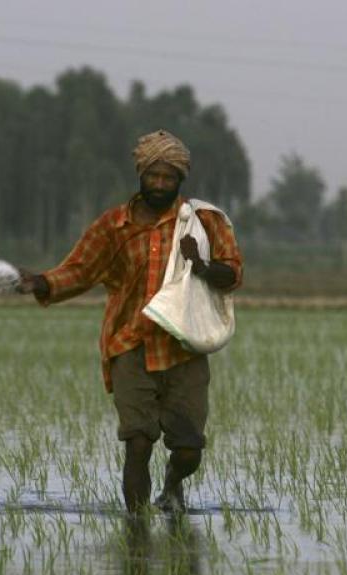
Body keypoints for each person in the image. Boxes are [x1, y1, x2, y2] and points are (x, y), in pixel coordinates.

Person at [16, 130, 244, 514]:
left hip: (183, 348)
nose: (159, 184)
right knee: (138, 441)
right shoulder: (114, 226)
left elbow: (233, 274)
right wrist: (42, 282)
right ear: (140, 176)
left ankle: (173, 485)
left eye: (168, 178)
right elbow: (81, 270)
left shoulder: (203, 223)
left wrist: (201, 265)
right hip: (130, 345)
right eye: (153, 176)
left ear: (180, 181)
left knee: (188, 448)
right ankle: (135, 529)